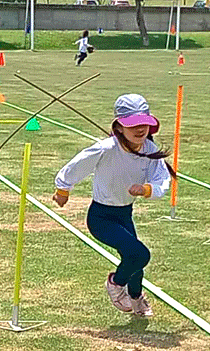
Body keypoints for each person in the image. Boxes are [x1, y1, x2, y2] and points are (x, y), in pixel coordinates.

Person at [53, 94, 174, 318]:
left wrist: (147, 189)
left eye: (144, 124)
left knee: (133, 258)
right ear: (119, 126)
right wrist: (63, 189)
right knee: (139, 254)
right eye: (133, 125)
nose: (140, 130)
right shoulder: (107, 148)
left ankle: (136, 298)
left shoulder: (148, 149)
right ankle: (115, 283)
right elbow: (77, 165)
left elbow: (161, 179)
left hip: (125, 213)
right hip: (101, 217)